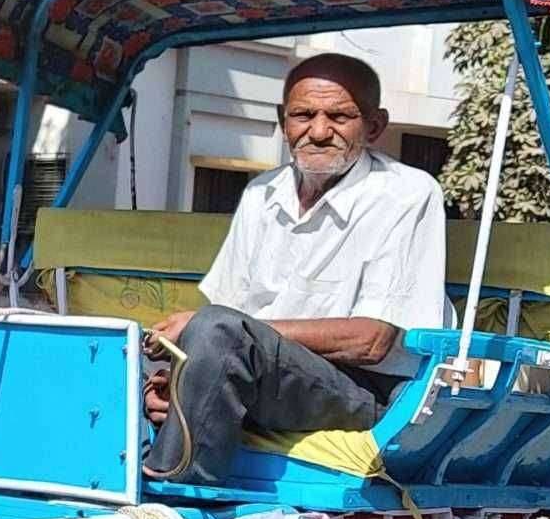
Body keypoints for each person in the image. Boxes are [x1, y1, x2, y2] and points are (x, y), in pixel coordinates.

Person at [141, 53, 447, 486]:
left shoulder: (407, 194)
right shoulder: (261, 193)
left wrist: (225, 336)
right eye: (303, 115)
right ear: (283, 121)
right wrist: (180, 380)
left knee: (214, 329)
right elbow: (227, 326)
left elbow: (373, 341)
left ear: (374, 126)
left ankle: (172, 492)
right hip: (267, 375)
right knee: (122, 355)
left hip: (363, 391)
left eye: (339, 116)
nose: (319, 132)